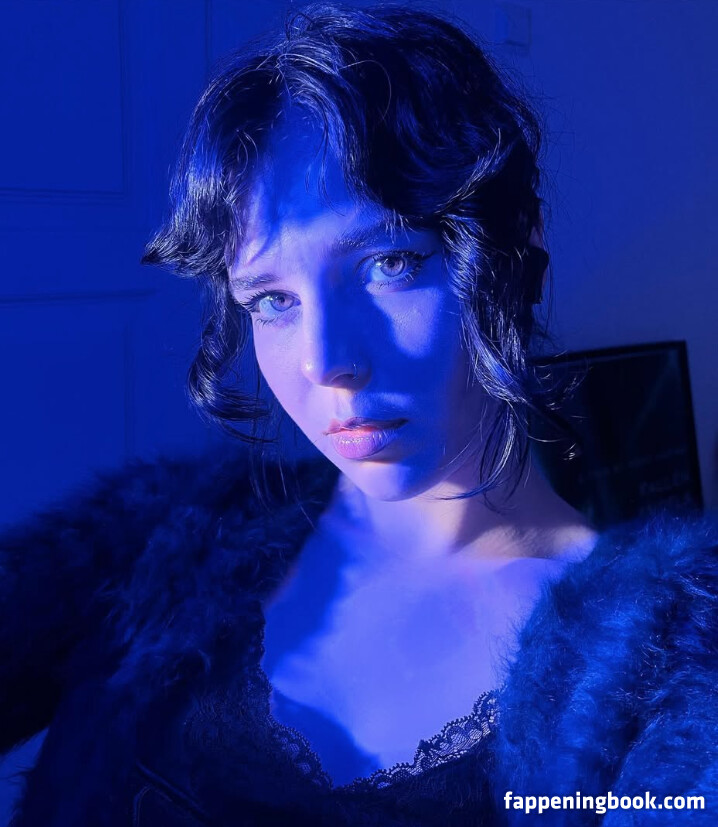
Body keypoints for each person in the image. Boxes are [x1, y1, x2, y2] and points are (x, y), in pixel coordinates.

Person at [2, 4, 717, 825]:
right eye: (271, 299)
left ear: (514, 247)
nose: (324, 360)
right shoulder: (158, 531)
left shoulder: (665, 667)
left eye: (389, 262)